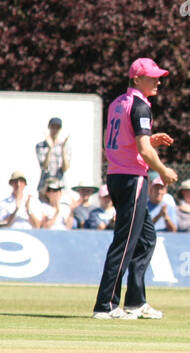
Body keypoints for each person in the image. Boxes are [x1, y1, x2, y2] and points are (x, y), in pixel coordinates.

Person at [93, 57, 178, 321]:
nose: (158, 81)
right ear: (137, 79)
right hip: (132, 179)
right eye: (152, 77)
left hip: (117, 176)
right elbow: (143, 150)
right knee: (126, 241)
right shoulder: (141, 106)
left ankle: (135, 301)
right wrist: (163, 171)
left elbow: (125, 140)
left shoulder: (119, 102)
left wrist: (150, 140)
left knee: (146, 239)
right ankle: (106, 305)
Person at [35, 117, 72, 194]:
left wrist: (62, 150)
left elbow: (65, 168)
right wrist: (50, 148)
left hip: (60, 185)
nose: (55, 130)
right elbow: (44, 166)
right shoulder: (40, 146)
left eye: (57, 127)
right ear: (49, 127)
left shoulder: (65, 146)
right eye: (53, 127)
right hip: (44, 185)